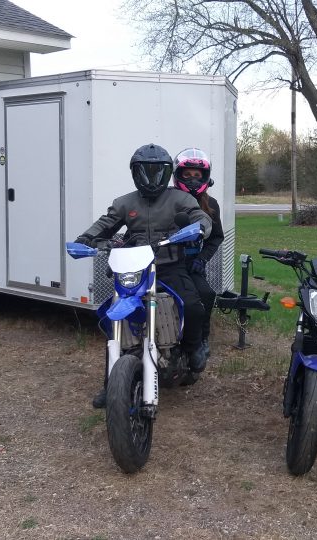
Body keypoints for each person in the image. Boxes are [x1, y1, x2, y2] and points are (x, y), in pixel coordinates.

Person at [74, 143, 213, 409]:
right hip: (135, 268)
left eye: (158, 171)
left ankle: (194, 349)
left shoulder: (181, 199)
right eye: (145, 171)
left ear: (167, 173)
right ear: (135, 173)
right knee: (117, 319)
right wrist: (87, 238)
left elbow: (199, 217)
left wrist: (199, 228)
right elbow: (106, 223)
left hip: (169, 265)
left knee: (194, 306)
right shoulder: (125, 203)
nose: (152, 177)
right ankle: (111, 385)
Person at [172, 148, 224, 356]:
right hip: (166, 261)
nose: (193, 180)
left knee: (206, 294)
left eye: (197, 175)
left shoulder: (210, 204)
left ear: (205, 178)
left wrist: (202, 259)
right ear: (178, 175)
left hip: (192, 263)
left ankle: (202, 338)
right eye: (187, 175)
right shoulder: (167, 199)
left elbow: (216, 237)